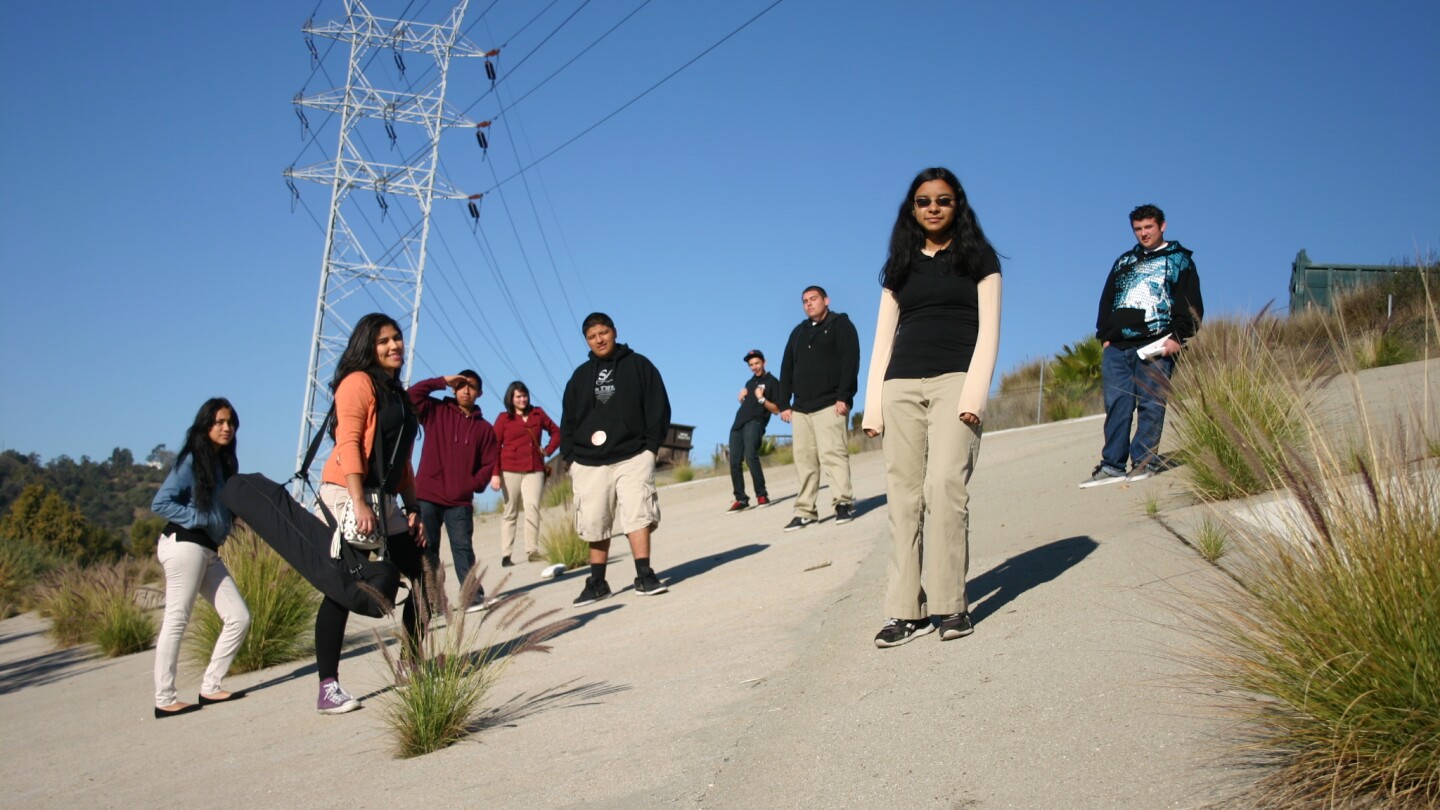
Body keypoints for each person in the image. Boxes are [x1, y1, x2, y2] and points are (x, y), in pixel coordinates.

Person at [861, 167, 1002, 648]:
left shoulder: (977, 257)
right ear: (912, 208)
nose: (933, 208)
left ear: (957, 204)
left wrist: (974, 395)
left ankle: (949, 605)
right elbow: (883, 339)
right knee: (903, 499)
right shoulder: (900, 265)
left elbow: (989, 331)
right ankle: (904, 611)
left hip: (955, 382)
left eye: (943, 200)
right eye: (924, 201)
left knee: (944, 487)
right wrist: (872, 404)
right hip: (899, 385)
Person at [314, 312, 427, 714]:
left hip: (384, 497)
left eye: (397, 339)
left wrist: (412, 507)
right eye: (384, 341)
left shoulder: (398, 393)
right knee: (345, 586)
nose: (394, 346)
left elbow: (403, 459)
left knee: (424, 575)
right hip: (349, 491)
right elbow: (347, 442)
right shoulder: (357, 383)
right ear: (368, 347)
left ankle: (410, 663)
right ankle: (328, 688)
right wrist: (358, 501)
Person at [1079, 204, 1203, 488]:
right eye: (1138, 228)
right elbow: (1107, 299)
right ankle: (1112, 465)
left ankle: (1144, 461)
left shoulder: (1180, 260)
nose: (1143, 233)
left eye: (1148, 227)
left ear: (1162, 226)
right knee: (1117, 404)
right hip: (1118, 345)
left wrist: (1178, 338)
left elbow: (1191, 303)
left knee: (1151, 403)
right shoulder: (1124, 261)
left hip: (1157, 342)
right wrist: (1105, 336)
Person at [560, 312, 672, 606]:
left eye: (603, 333)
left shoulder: (639, 365)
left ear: (614, 331)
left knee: (637, 514)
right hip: (588, 461)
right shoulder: (580, 376)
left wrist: (650, 449)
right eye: (592, 336)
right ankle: (597, 582)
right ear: (586, 340)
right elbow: (568, 419)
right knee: (595, 520)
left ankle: (644, 575)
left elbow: (658, 405)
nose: (599, 339)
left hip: (633, 455)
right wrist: (571, 458)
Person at [151, 398, 252, 718]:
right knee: (176, 619)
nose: (226, 428)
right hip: (184, 544)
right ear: (205, 425)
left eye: (230, 422)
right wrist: (200, 517)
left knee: (239, 617)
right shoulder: (193, 460)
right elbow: (161, 502)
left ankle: (211, 686)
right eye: (219, 422)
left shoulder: (224, 465)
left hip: (208, 550)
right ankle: (164, 698)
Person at [408, 370, 498, 611]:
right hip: (428, 494)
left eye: (472, 387)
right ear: (454, 389)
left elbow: (489, 463)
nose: (466, 390)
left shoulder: (484, 429)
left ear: (479, 393)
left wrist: (471, 484)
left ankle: (472, 596)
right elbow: (411, 396)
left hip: (459, 500)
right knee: (427, 549)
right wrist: (442, 380)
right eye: (461, 385)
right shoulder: (435, 411)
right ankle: (433, 602)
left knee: (463, 548)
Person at [775, 286, 860, 530]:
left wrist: (844, 396)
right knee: (804, 460)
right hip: (801, 408)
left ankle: (842, 503)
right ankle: (805, 511)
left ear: (826, 300)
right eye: (805, 301)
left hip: (830, 404)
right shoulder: (798, 332)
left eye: (813, 299)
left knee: (833, 455)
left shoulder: (840, 325)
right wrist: (784, 403)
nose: (809, 304)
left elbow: (850, 361)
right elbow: (787, 367)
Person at [490, 381, 561, 566]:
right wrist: (495, 474)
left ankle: (532, 550)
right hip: (509, 470)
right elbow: (494, 447)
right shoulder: (503, 418)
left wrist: (548, 449)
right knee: (510, 510)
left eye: (524, 396)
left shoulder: (538, 414)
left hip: (534, 469)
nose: (522, 399)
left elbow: (557, 432)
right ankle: (506, 554)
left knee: (532, 508)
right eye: (518, 397)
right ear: (511, 399)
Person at [726, 349, 780, 512]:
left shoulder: (772, 382)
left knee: (750, 456)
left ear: (764, 362)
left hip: (755, 422)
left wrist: (762, 398)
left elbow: (776, 409)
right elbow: (749, 406)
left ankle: (762, 495)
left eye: (756, 363)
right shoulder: (750, 383)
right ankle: (741, 499)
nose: (754, 367)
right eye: (751, 365)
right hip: (738, 424)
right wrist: (741, 399)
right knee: (734, 461)